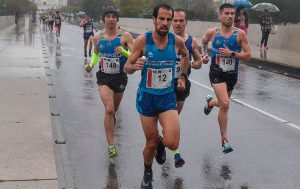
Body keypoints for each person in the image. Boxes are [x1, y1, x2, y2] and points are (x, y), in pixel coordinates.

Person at [123, 4, 189, 189]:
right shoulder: (143, 41)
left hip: (167, 97)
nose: (165, 23)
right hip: (147, 99)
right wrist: (133, 67)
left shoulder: (176, 41)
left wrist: (182, 75)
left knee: (172, 142)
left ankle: (163, 142)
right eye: (162, 19)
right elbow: (126, 67)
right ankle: (147, 172)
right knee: (151, 143)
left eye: (169, 19)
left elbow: (186, 55)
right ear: (154, 19)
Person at [201, 3, 251, 154]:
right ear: (220, 16)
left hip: (231, 75)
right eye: (227, 13)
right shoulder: (212, 33)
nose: (230, 16)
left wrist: (232, 54)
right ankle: (224, 140)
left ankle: (210, 103)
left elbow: (249, 55)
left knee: (223, 103)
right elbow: (203, 42)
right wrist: (204, 54)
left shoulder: (240, 34)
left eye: (232, 14)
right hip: (216, 73)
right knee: (226, 104)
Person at [84, 6, 134, 158]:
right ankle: (111, 145)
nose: (111, 19)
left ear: (117, 19)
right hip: (104, 77)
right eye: (108, 16)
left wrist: (124, 51)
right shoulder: (98, 37)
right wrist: (91, 65)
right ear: (104, 18)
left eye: (113, 16)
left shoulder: (125, 36)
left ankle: (112, 120)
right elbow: (96, 55)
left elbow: (134, 55)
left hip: (119, 77)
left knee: (114, 110)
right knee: (109, 109)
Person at [171, 8, 202, 168]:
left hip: (181, 85)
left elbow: (198, 63)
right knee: (169, 120)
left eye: (181, 20)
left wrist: (188, 63)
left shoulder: (191, 42)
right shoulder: (164, 39)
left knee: (173, 120)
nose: (177, 23)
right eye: (175, 20)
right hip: (162, 85)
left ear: (186, 22)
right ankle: (176, 154)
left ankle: (164, 142)